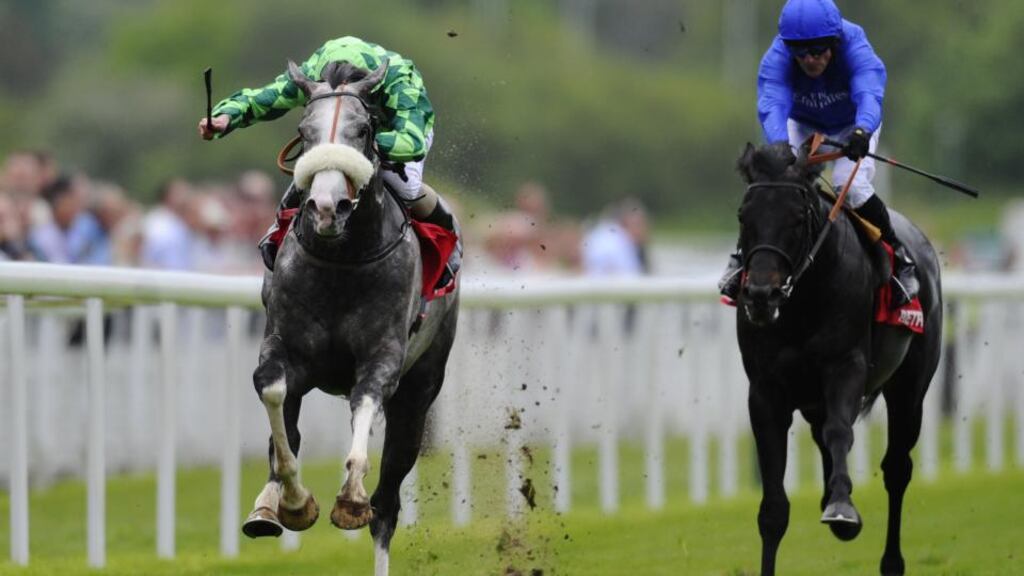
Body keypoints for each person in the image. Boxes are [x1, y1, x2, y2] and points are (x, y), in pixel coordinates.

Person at [197, 36, 460, 277]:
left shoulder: (399, 79)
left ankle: (450, 244)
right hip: (335, 134)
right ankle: (276, 235)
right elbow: (261, 99)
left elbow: (411, 141)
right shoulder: (313, 75)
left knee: (406, 185)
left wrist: (361, 143)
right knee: (312, 175)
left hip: (393, 131)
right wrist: (225, 117)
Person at [719, 0, 918, 307]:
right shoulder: (777, 57)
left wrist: (862, 130)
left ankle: (900, 258)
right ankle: (741, 257)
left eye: (819, 50)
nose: (810, 60)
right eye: (801, 52)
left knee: (849, 187)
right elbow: (772, 102)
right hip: (803, 123)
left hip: (852, 126)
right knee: (772, 183)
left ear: (835, 43)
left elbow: (869, 93)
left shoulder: (855, 46)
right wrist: (778, 144)